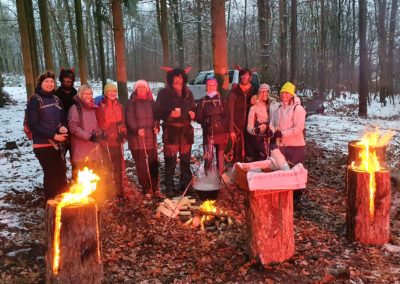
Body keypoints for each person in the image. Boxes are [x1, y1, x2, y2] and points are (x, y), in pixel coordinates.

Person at [27, 71, 68, 200]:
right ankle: (51, 204)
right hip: (42, 145)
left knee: (61, 174)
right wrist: (53, 136)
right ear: (41, 83)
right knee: (51, 174)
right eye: (47, 81)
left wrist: (63, 126)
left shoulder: (56, 99)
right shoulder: (35, 100)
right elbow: (33, 124)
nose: (50, 84)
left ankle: (63, 203)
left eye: (51, 81)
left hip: (57, 144)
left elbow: (63, 117)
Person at [155, 68, 196, 198]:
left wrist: (193, 113)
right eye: (176, 78)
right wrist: (168, 113)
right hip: (171, 132)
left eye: (181, 77)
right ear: (171, 78)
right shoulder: (164, 93)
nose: (179, 80)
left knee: (185, 161)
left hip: (185, 133)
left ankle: (186, 185)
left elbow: (194, 107)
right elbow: (157, 111)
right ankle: (170, 187)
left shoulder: (188, 92)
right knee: (170, 162)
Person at [269, 81, 306, 201]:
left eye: (287, 93)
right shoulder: (279, 108)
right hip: (282, 145)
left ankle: (296, 197)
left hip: (296, 146)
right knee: (284, 170)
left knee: (295, 171)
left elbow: (299, 128)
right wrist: (274, 131)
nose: (284, 95)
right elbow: (272, 123)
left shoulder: (298, 109)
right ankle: (286, 195)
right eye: (282, 92)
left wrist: (283, 133)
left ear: (292, 94)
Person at [125, 80, 160, 197]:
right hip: (137, 139)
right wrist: (136, 129)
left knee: (153, 162)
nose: (141, 89)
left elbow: (156, 116)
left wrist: (157, 126)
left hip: (151, 137)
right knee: (141, 164)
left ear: (147, 89)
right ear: (136, 89)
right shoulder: (131, 102)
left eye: (143, 87)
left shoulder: (151, 102)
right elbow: (129, 118)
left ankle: (154, 185)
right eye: (139, 88)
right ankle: (145, 186)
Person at [97, 82, 127, 201]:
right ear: (106, 93)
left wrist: (123, 133)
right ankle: (109, 192)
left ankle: (119, 191)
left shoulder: (119, 106)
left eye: (114, 91)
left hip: (117, 141)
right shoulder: (101, 107)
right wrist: (102, 133)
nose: (113, 93)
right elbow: (99, 123)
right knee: (108, 167)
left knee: (118, 167)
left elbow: (122, 122)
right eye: (110, 91)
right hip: (106, 142)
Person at [68, 85, 103, 183]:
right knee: (81, 178)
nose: (88, 96)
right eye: (85, 94)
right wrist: (89, 137)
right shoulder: (75, 108)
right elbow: (73, 127)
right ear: (80, 94)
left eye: (90, 94)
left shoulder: (93, 108)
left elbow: (96, 125)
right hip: (81, 149)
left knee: (93, 176)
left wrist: (99, 133)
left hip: (93, 148)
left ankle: (94, 196)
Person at [195, 78, 229, 174]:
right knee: (208, 157)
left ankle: (220, 178)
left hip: (221, 133)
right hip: (208, 133)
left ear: (216, 87)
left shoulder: (222, 101)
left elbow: (227, 117)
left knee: (220, 157)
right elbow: (198, 118)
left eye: (212, 85)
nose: (210, 87)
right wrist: (206, 122)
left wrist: (219, 123)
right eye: (208, 85)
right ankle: (208, 179)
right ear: (206, 86)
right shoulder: (202, 101)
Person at [228, 68, 258, 163]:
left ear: (250, 77)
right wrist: (231, 130)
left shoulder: (255, 91)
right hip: (237, 127)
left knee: (252, 153)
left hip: (251, 126)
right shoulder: (234, 91)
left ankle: (250, 174)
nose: (244, 77)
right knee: (237, 153)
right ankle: (238, 173)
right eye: (242, 75)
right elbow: (229, 112)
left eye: (246, 75)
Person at [247, 83, 274, 161]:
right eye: (262, 92)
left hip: (272, 140)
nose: (264, 94)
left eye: (266, 92)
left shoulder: (273, 105)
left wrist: (272, 130)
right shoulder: (253, 108)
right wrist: (255, 130)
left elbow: (277, 122)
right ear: (258, 93)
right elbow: (249, 126)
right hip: (258, 141)